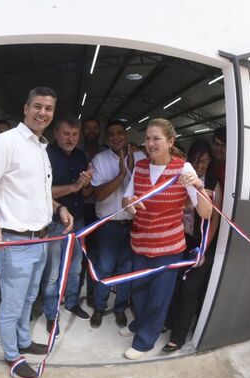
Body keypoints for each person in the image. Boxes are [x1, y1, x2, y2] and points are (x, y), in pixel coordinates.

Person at [0, 87, 74, 378]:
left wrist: (59, 208)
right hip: (15, 242)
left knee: (30, 299)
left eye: (49, 108)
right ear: (26, 108)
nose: (43, 113)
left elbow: (39, 193)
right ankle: (12, 356)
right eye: (38, 106)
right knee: (12, 304)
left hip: (41, 239)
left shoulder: (41, 148)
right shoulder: (6, 143)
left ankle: (23, 340)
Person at [120, 118, 212, 360]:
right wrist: (129, 204)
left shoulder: (184, 169)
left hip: (168, 247)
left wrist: (199, 186)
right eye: (147, 138)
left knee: (158, 297)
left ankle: (144, 341)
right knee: (139, 292)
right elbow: (126, 199)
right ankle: (140, 323)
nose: (150, 143)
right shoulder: (140, 166)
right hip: (140, 243)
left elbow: (206, 213)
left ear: (171, 141)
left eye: (156, 138)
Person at [163, 139, 222, 353]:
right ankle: (168, 322)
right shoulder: (183, 177)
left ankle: (178, 337)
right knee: (175, 283)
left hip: (203, 242)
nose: (200, 165)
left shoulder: (213, 183)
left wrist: (203, 250)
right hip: (182, 239)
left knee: (189, 289)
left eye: (205, 161)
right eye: (196, 160)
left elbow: (215, 219)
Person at [89, 120, 146, 329]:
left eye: (120, 132)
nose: (116, 137)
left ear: (126, 135)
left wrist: (132, 168)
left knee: (127, 268)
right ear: (107, 138)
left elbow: (145, 190)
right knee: (105, 267)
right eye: (111, 134)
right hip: (108, 226)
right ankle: (99, 307)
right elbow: (98, 195)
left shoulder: (140, 158)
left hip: (133, 225)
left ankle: (120, 308)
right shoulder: (100, 160)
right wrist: (121, 174)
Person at [41, 117, 93, 335]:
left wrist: (86, 184)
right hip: (54, 223)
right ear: (56, 133)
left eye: (74, 135)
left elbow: (86, 192)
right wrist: (74, 187)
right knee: (53, 272)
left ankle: (71, 303)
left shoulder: (81, 156)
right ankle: (51, 314)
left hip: (78, 221)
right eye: (66, 134)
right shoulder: (45, 155)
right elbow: (41, 191)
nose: (70, 139)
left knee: (75, 268)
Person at [79, 117, 105, 307]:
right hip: (80, 209)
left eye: (94, 127)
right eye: (87, 127)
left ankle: (91, 293)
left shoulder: (105, 153)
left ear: (99, 130)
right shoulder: (76, 152)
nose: (91, 130)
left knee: (95, 255)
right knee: (78, 254)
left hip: (100, 210)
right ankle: (72, 292)